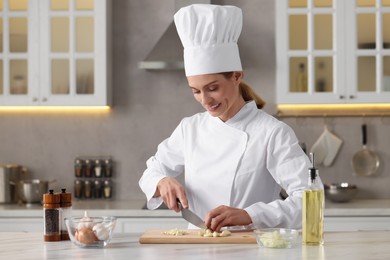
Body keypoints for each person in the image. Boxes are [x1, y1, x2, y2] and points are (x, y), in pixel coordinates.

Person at [139, 4, 314, 232]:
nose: (205, 100)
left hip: (250, 249)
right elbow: (150, 173)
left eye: (212, 88)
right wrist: (162, 182)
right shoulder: (189, 129)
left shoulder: (271, 132)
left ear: (236, 76)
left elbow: (310, 200)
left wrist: (250, 215)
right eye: (196, 91)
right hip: (198, 248)